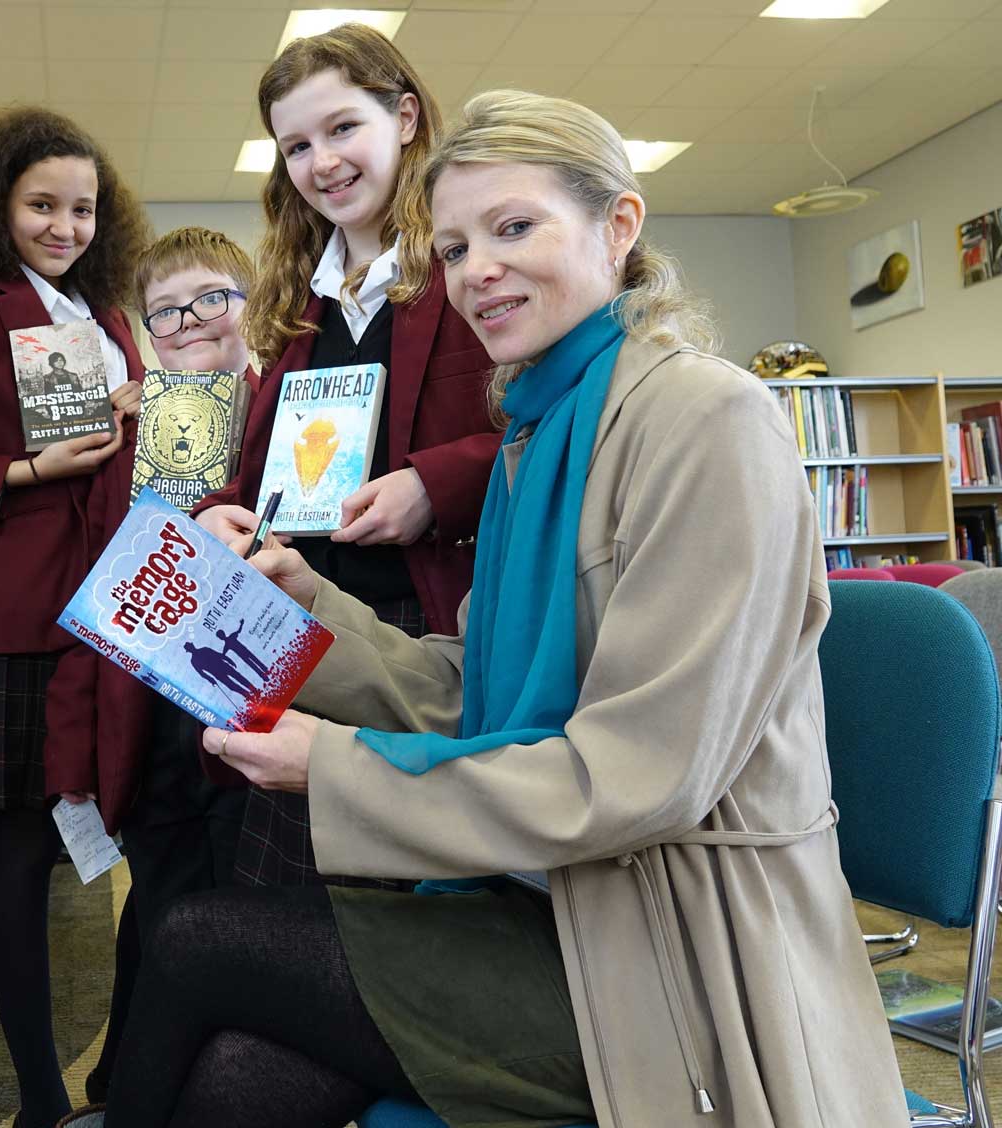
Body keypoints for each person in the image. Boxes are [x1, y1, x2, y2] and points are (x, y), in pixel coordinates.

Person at [64, 88, 910, 1128]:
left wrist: (332, 767)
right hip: (548, 903)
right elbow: (475, 690)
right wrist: (301, 602)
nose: (477, 272)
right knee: (240, 1070)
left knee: (199, 943)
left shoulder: (708, 421)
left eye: (514, 228)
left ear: (618, 227)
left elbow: (633, 779)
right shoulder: (537, 427)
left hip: (674, 957)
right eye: (455, 247)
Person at [192, 23, 500, 891]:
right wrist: (225, 506)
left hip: (420, 628)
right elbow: (267, 461)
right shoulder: (297, 299)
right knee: (291, 902)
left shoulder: (468, 268)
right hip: (294, 628)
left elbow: (539, 430)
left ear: (405, 118)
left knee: (399, 906)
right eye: (296, 144)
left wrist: (435, 485)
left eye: (342, 129)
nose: (321, 161)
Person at [0, 105, 149, 1128]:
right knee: (19, 851)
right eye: (43, 205)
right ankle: (40, 1093)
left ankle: (112, 1070)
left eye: (83, 209)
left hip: (113, 602)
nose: (65, 226)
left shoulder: (106, 311)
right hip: (19, 611)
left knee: (101, 835)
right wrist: (24, 468)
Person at [78, 226, 260, 1103]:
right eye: (165, 312)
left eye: (212, 299)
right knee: (160, 906)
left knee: (235, 920)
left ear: (250, 305)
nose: (189, 322)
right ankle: (133, 1084)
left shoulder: (293, 410)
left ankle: (202, 1089)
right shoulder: (125, 431)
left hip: (248, 717)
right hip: (147, 719)